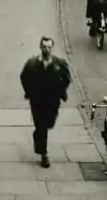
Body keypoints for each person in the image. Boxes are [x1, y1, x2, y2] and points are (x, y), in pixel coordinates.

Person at [19, 36, 71, 168]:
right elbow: (24, 77)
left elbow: (67, 78)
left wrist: (62, 91)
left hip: (53, 100)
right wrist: (29, 92)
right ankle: (44, 154)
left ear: (52, 48)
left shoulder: (60, 64)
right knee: (42, 126)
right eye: (44, 47)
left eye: (49, 47)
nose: (47, 49)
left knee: (49, 123)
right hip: (37, 100)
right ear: (40, 47)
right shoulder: (32, 63)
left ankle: (39, 135)